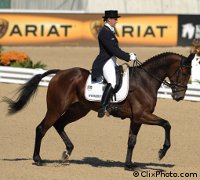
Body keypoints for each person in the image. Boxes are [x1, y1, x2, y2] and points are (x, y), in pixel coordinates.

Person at [91, 10, 137, 118]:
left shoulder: (110, 30)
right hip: (105, 61)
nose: (116, 21)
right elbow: (113, 50)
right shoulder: (104, 32)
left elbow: (116, 49)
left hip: (111, 60)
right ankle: (103, 107)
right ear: (109, 19)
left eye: (117, 19)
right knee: (112, 81)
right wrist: (128, 57)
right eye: (115, 19)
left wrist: (128, 54)